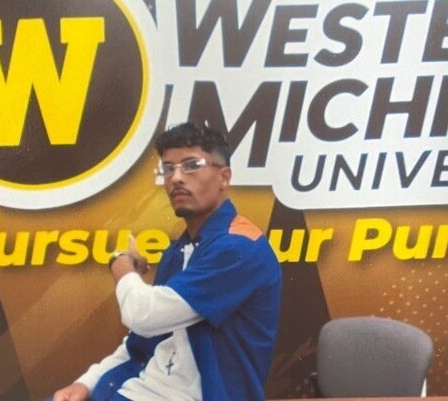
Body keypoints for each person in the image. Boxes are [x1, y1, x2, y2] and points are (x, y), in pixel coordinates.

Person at [53, 123, 282, 401]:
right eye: (168, 168)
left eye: (191, 165)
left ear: (224, 177)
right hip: (138, 389)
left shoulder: (239, 247)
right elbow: (141, 339)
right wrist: (86, 383)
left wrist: (120, 265)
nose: (176, 178)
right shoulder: (179, 250)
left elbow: (142, 315)